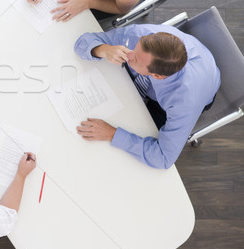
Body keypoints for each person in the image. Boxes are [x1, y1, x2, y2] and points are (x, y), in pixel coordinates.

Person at [73, 24, 220, 169]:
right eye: (134, 48)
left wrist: (112, 133)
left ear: (156, 76)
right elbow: (84, 41)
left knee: (138, 129)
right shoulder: (140, 36)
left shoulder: (183, 102)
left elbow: (163, 157)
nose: (127, 54)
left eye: (135, 59)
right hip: (189, 56)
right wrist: (103, 49)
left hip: (189, 92)